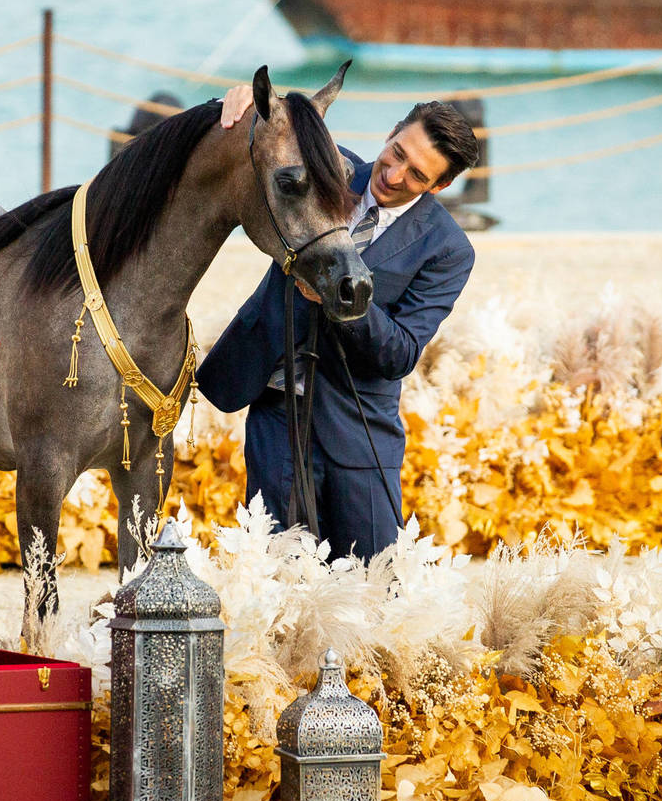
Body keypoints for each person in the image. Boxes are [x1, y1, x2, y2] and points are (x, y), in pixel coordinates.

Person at [197, 87, 480, 559]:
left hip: (357, 433)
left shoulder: (448, 249)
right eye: (396, 153)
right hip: (274, 406)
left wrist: (341, 293)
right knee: (274, 580)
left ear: (439, 187)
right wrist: (244, 97)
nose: (392, 174)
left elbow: (401, 354)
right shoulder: (325, 167)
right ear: (391, 133)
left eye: (416, 175)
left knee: (371, 589)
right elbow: (268, 128)